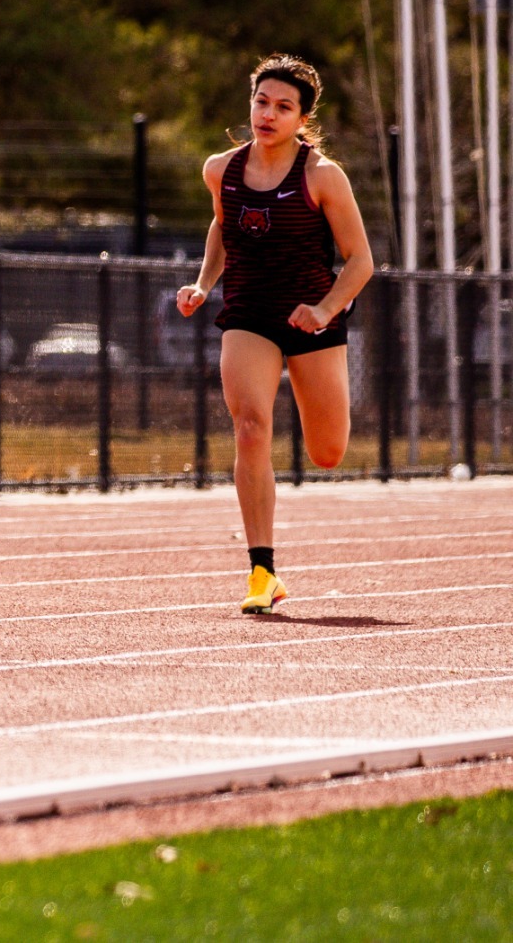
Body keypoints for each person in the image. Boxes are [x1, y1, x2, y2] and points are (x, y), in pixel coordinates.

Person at [176, 54, 372, 614]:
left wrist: (325, 307)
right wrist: (201, 283)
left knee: (328, 452)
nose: (268, 114)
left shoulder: (322, 177)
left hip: (311, 318)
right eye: (262, 102)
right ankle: (262, 570)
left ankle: (269, 561)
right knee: (250, 427)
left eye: (283, 107)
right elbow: (221, 224)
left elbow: (361, 261)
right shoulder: (221, 169)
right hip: (248, 315)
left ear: (302, 118)